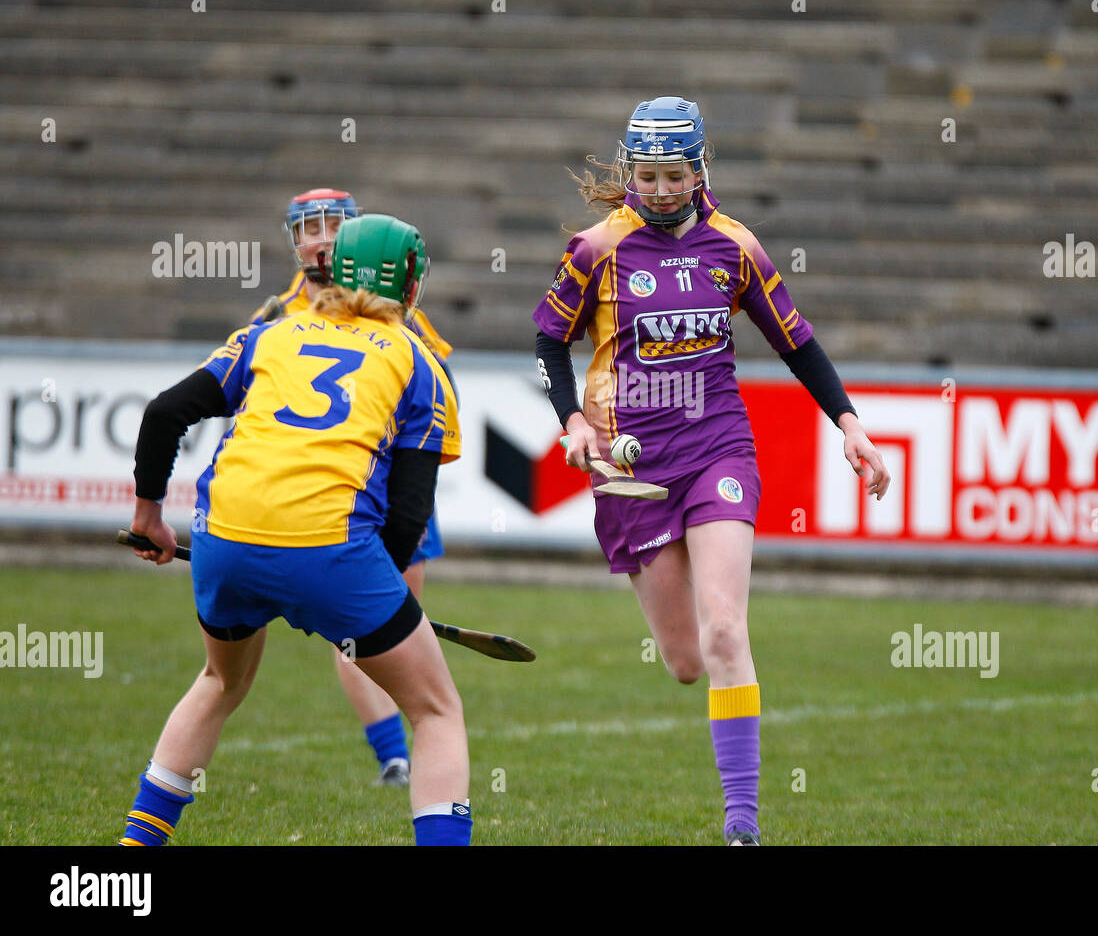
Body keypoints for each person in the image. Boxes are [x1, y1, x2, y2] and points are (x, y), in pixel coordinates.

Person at [533, 97, 890, 845]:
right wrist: (569, 421)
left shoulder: (736, 246)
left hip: (717, 448)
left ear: (701, 171)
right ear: (631, 171)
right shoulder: (597, 249)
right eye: (649, 175)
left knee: (727, 630)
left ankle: (742, 826)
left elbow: (797, 344)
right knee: (688, 661)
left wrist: (850, 426)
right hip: (631, 466)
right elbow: (547, 341)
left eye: (675, 175)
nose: (661, 190)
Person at [121, 214, 472, 846]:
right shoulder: (422, 366)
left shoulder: (269, 336)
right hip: (332, 554)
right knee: (436, 710)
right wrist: (359, 607)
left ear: (333, 270)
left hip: (224, 539)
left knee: (219, 682)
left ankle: (131, 858)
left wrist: (148, 516)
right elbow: (409, 516)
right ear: (412, 286)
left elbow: (164, 412)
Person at [251, 188, 458, 787]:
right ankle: (395, 756)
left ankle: (420, 738)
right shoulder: (275, 317)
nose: (319, 238)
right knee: (350, 628)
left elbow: (437, 382)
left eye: (332, 226)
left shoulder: (400, 308)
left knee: (398, 617)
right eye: (307, 227)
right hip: (316, 489)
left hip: (391, 480)